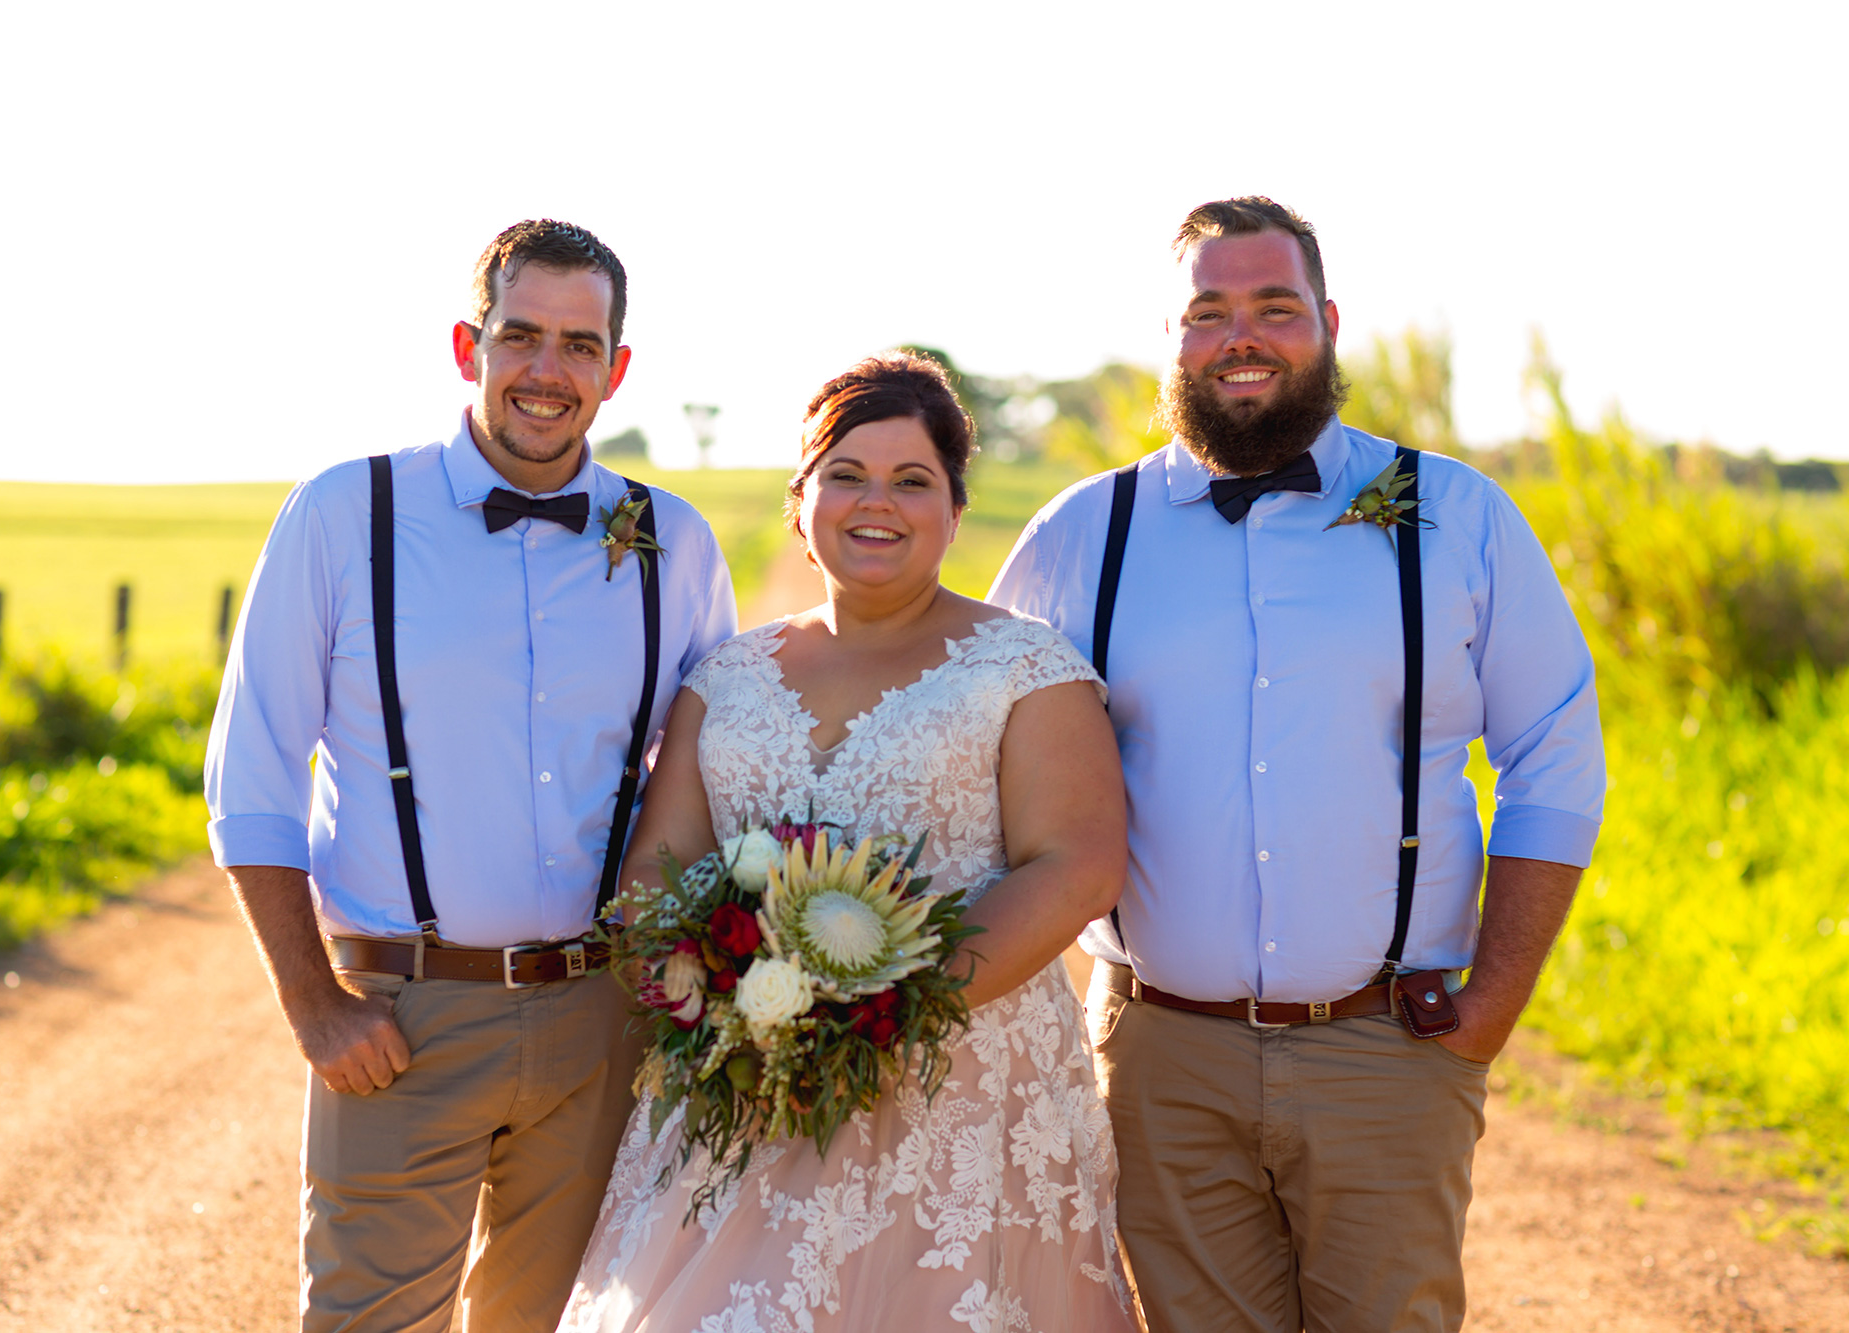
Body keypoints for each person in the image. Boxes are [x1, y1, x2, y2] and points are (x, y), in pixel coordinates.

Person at [990, 197, 1605, 1333]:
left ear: (1324, 322)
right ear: (1171, 339)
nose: (1242, 335)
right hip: (1159, 1058)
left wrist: (1494, 1004)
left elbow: (1553, 757)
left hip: (1390, 1050)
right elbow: (977, 763)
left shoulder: (1455, 516)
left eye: (1273, 307)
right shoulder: (1084, 534)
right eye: (1208, 311)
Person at [204, 219, 738, 1332]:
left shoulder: (669, 540)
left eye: (579, 345)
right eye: (521, 337)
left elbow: (707, 776)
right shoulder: (345, 515)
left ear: (616, 368)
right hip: (401, 1018)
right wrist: (312, 1003)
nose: (548, 372)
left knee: (554, 1323)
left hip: (604, 1018)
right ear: (469, 345)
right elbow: (252, 773)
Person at [556, 352, 1139, 1333]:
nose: (879, 504)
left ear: (954, 508)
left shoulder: (1025, 667)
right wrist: (719, 999)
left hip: (958, 1098)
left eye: (912, 480)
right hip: (747, 1083)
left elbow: (1073, 865)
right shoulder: (725, 678)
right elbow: (654, 875)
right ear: (800, 500)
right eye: (847, 475)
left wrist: (884, 1003)